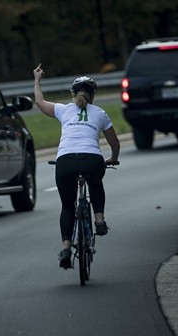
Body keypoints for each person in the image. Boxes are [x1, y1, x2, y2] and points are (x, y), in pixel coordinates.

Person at [33, 63, 120, 269]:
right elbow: (114, 142)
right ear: (93, 95)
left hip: (65, 161)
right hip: (92, 160)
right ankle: (99, 220)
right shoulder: (100, 113)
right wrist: (113, 157)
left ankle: (65, 248)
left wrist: (37, 80)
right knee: (96, 182)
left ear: (73, 94)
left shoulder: (63, 110)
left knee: (67, 206)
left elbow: (39, 102)